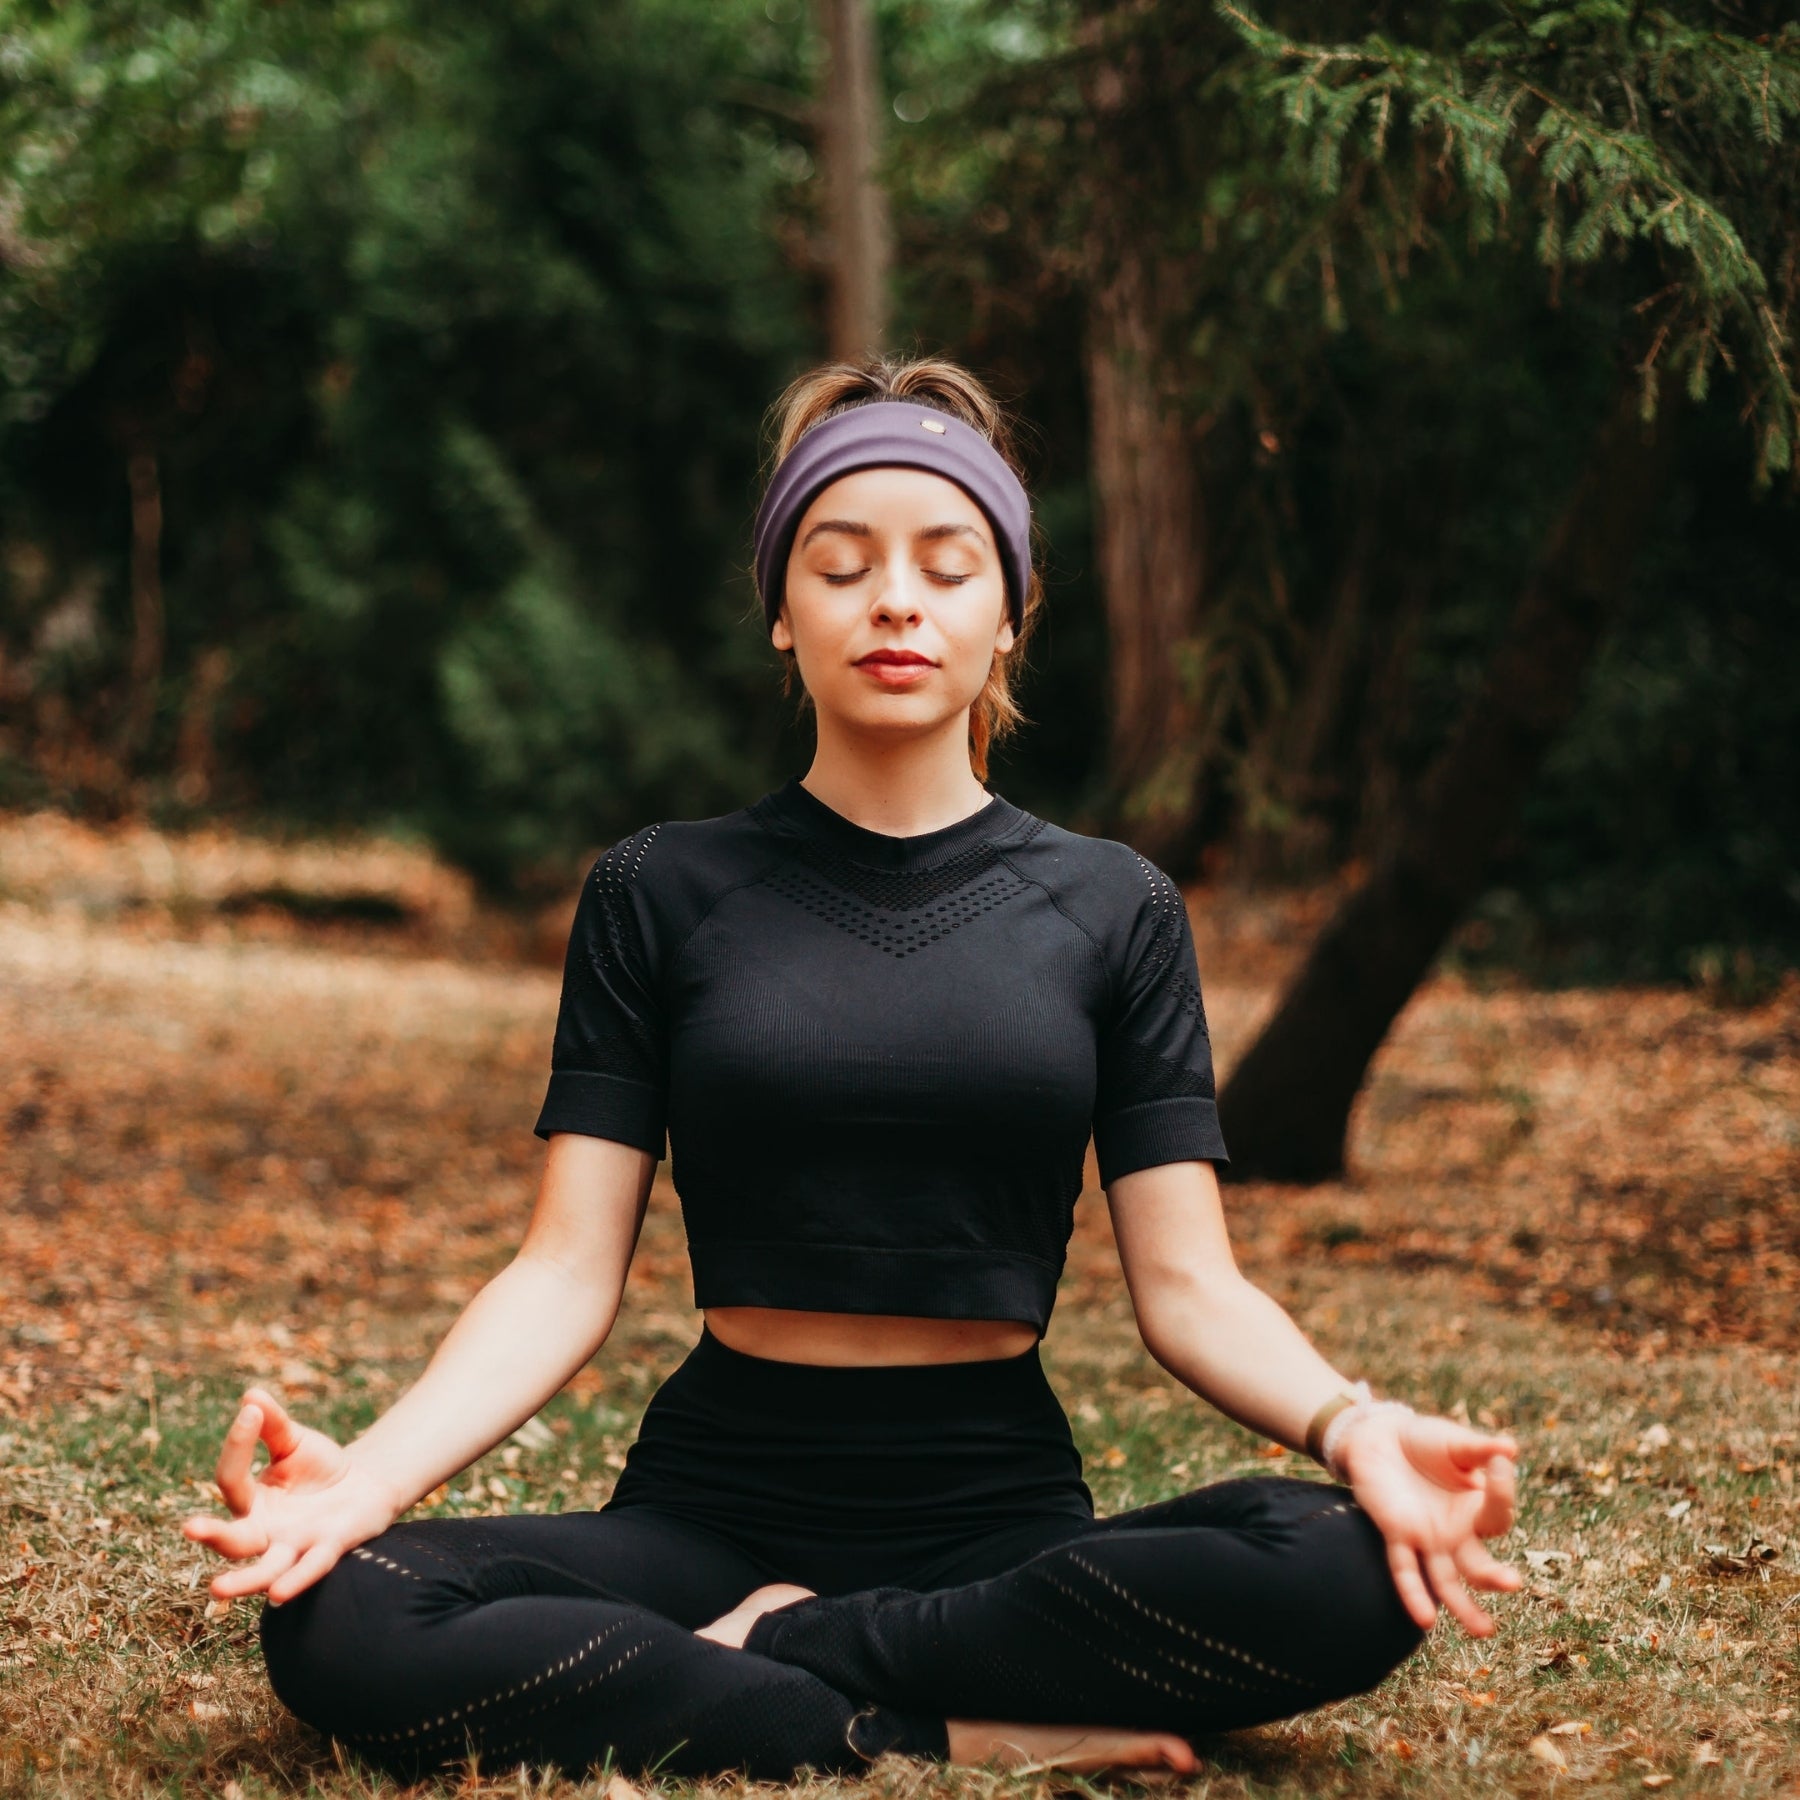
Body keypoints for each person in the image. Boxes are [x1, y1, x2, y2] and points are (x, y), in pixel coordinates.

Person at [182, 355, 1521, 1785]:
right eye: (843, 563)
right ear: (782, 611)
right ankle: (923, 1726)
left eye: (949, 568)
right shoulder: (658, 889)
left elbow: (1189, 1285)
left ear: (1008, 620)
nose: (896, 600)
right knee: (345, 1618)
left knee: (1346, 1561)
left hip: (998, 1516)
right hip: (709, 1509)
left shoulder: (1114, 907)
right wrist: (373, 1477)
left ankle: (785, 1656)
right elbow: (565, 1271)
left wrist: (1355, 1424)